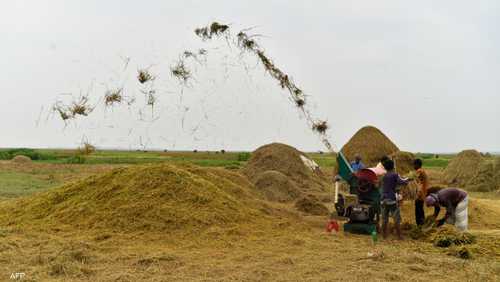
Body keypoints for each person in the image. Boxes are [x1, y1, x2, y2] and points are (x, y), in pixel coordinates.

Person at [380, 158, 409, 239]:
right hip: (391, 199)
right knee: (396, 219)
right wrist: (409, 179)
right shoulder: (395, 175)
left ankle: (384, 236)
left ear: (385, 168)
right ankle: (400, 236)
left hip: (383, 199)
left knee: (384, 219)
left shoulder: (384, 176)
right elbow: (402, 181)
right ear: (393, 166)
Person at [413, 159, 429, 226]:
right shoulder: (423, 171)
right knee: (420, 209)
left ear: (417, 165)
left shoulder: (419, 171)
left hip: (420, 193)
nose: (413, 166)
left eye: (414, 165)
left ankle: (420, 225)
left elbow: (419, 183)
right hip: (423, 193)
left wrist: (418, 193)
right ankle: (422, 224)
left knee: (418, 210)